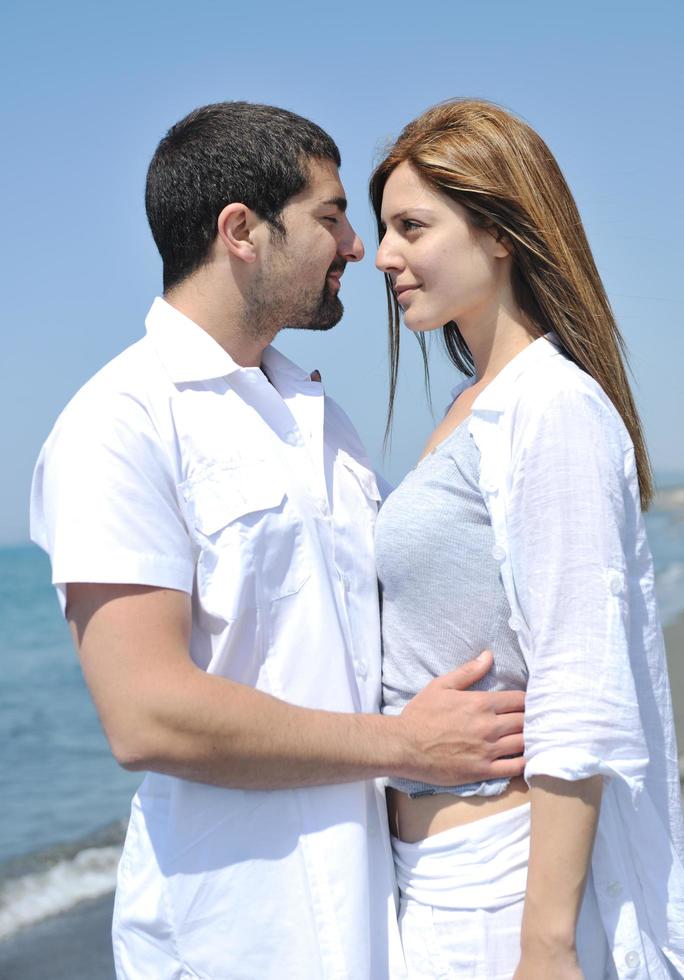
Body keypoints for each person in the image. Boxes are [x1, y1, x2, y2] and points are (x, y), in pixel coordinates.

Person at [29, 102, 526, 980]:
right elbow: (145, 715)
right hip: (232, 936)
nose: (357, 249)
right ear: (241, 231)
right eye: (331, 217)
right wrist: (407, 745)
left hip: (377, 915)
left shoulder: (320, 419)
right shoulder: (120, 423)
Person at [370, 98, 684, 980]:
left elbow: (581, 682)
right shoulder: (473, 410)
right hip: (430, 879)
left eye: (411, 226)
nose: (385, 255)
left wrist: (545, 945)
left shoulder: (552, 408)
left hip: (500, 893)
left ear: (500, 232)